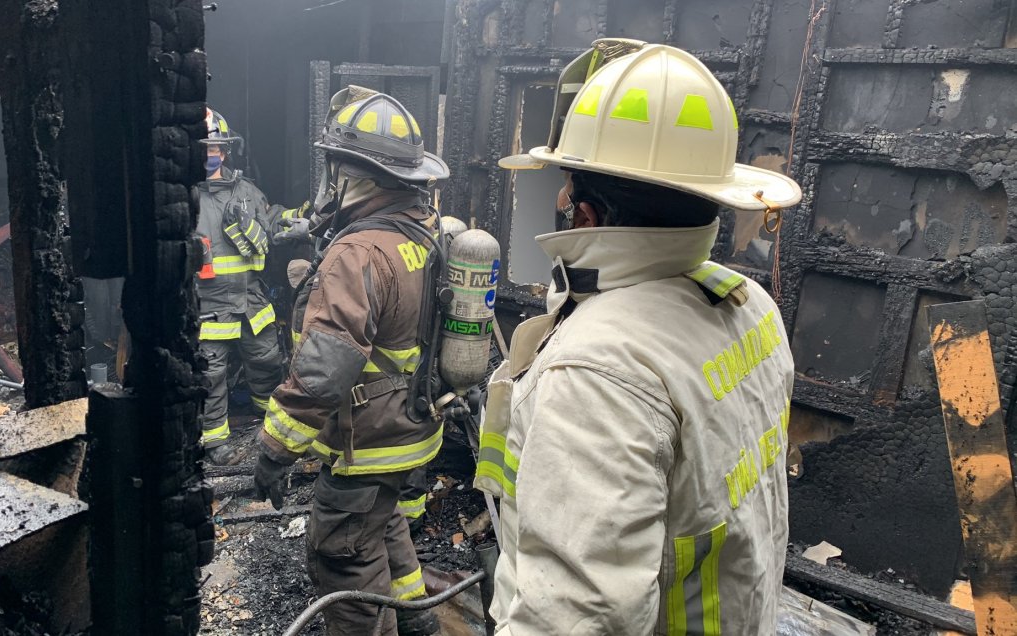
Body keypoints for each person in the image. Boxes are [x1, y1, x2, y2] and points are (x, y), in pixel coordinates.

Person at [474, 39, 802, 634]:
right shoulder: (748, 304)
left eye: (568, 183)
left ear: (587, 217)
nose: (558, 198)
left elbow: (577, 617)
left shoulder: (598, 371)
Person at [252, 87, 445, 636]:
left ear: (356, 174)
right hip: (412, 427)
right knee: (381, 528)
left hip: (371, 438)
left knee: (342, 550)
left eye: (335, 166)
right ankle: (416, 623)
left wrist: (274, 450)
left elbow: (324, 370)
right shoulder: (421, 235)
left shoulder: (357, 252)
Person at [195, 107, 284, 466]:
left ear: (226, 150)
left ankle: (273, 426)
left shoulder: (246, 191)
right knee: (210, 374)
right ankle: (215, 439)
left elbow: (272, 224)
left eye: (214, 148)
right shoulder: (181, 199)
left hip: (250, 301)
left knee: (267, 361)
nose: (209, 155)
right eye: (201, 149)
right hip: (207, 304)